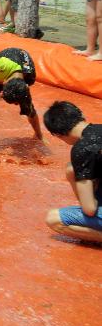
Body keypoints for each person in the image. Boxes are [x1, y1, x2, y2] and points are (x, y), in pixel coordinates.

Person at [42, 101, 102, 244]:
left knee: (53, 219)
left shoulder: (82, 149)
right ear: (81, 115)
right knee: (72, 170)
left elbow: (89, 209)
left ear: (57, 134)